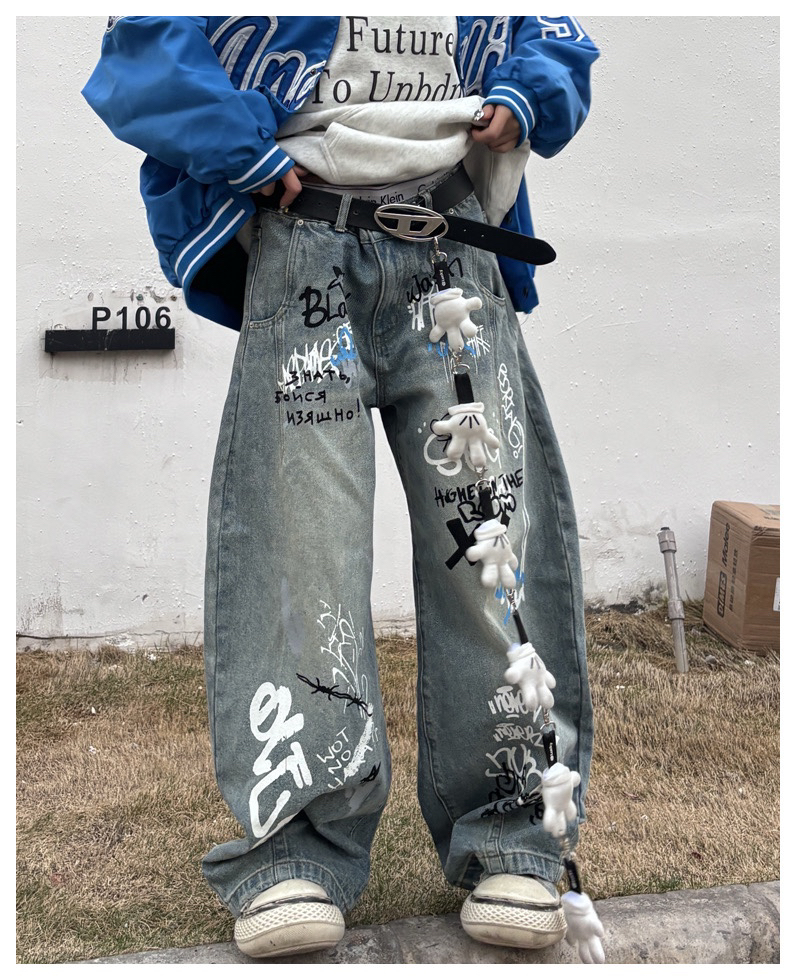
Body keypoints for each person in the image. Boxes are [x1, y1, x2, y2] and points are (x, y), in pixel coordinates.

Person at [83, 15, 601, 961]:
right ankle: (296, 848)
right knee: (301, 546)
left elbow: (556, 38)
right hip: (305, 242)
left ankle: (516, 833)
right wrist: (239, 151)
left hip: (455, 245)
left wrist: (525, 97)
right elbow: (142, 46)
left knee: (490, 546)